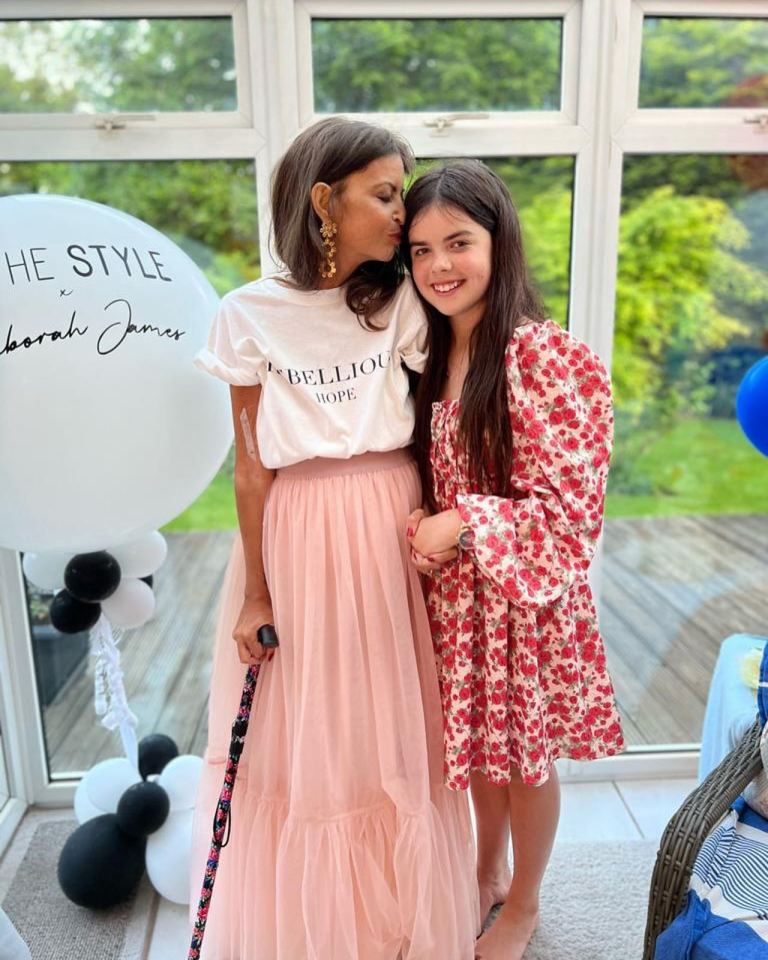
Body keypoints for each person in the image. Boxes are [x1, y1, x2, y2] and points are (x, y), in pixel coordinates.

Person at [190, 118, 479, 960]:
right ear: (325, 200)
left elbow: (441, 429)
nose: (403, 214)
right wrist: (254, 591)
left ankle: (399, 921)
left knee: (390, 722)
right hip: (299, 532)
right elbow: (250, 467)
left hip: (392, 522)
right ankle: (322, 930)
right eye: (386, 194)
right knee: (308, 729)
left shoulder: (402, 304)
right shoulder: (247, 314)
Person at [402, 160, 625, 960]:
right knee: (478, 752)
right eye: (421, 251)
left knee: (524, 758)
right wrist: (433, 533)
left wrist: (461, 523)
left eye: (458, 242)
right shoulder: (432, 356)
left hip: (524, 599)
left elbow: (571, 514)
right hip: (462, 601)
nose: (439, 266)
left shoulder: (545, 356)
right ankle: (485, 872)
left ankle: (525, 903)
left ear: (500, 241)